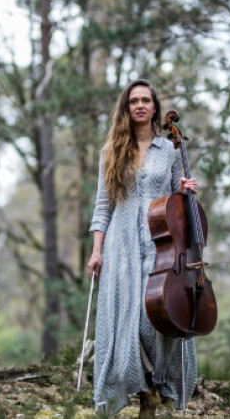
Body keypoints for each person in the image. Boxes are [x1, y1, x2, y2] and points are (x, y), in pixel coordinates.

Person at [87, 79, 199, 418]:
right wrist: (96, 250)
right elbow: (102, 206)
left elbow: (182, 197)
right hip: (121, 242)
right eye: (133, 100)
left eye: (146, 100)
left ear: (154, 107)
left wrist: (188, 188)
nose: (140, 105)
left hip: (159, 242)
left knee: (153, 317)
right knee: (124, 321)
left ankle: (156, 388)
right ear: (126, 107)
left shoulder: (169, 149)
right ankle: (141, 393)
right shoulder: (111, 151)